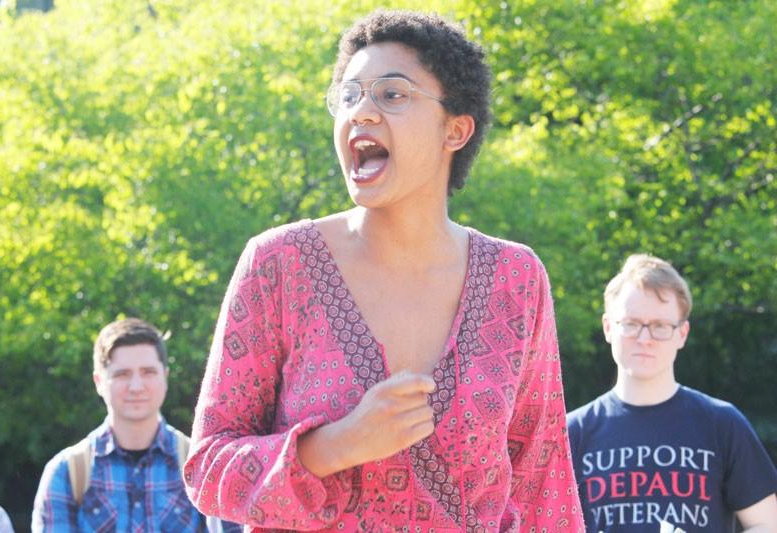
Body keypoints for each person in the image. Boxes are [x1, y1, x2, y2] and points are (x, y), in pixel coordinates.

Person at [184, 9, 584, 532]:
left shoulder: (517, 278)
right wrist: (333, 447)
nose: (362, 113)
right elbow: (207, 469)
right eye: (349, 97)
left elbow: (543, 485)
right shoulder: (278, 264)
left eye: (392, 95)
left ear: (455, 130)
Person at [567, 254, 777, 532]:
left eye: (660, 326)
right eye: (630, 323)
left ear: (682, 333)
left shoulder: (722, 424)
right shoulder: (572, 433)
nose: (644, 339)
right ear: (608, 327)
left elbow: (766, 523)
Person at [32, 318, 231, 532]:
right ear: (99, 382)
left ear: (165, 376)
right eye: (122, 374)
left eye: (148, 372)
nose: (136, 386)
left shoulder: (202, 466)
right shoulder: (67, 472)